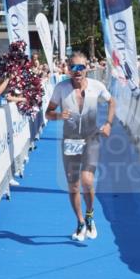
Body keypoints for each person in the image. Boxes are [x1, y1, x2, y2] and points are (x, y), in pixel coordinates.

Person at [44, 53, 116, 242]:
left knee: (87, 180)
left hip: (91, 139)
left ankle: (90, 214)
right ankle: (80, 221)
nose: (77, 71)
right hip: (70, 141)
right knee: (74, 185)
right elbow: (48, 113)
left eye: (81, 67)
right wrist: (59, 116)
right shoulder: (61, 88)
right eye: (73, 67)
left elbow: (112, 102)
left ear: (87, 68)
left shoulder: (96, 86)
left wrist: (108, 123)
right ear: (68, 69)